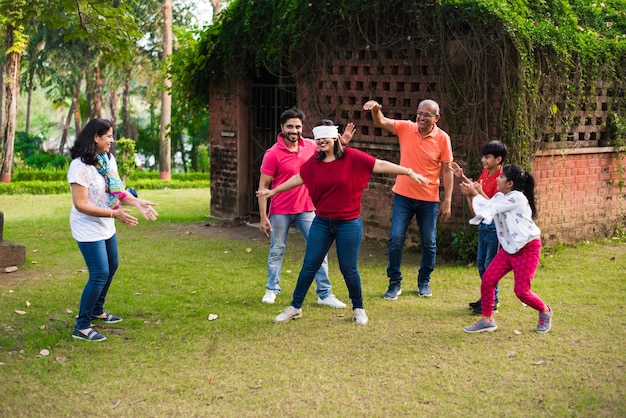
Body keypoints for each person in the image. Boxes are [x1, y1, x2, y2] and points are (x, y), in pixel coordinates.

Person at [257, 120, 430, 325]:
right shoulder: (314, 163)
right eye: (318, 138)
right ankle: (295, 307)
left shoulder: (352, 157)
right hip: (322, 222)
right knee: (309, 265)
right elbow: (298, 178)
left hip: (348, 223)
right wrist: (274, 191)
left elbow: (379, 165)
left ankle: (358, 308)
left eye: (325, 137)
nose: (321, 141)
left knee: (349, 268)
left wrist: (409, 172)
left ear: (335, 138)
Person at [68, 118, 158, 341]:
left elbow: (116, 191)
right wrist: (114, 214)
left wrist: (137, 202)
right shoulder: (79, 167)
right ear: (96, 137)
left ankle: (97, 310)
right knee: (99, 273)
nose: (112, 140)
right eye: (108, 135)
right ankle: (82, 326)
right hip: (87, 226)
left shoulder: (107, 160)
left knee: (112, 265)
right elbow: (81, 204)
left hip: (106, 223)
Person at [258, 108, 355, 309]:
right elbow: (263, 188)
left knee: (319, 251)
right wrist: (262, 216)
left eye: (298, 126)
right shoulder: (272, 154)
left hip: (307, 210)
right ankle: (271, 289)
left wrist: (342, 141)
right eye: (290, 126)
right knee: (277, 249)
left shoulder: (311, 146)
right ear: (282, 128)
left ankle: (325, 294)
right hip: (280, 211)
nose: (294, 130)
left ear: (303, 128)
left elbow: (330, 149)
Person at [362, 99, 454, 299]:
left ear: (436, 118)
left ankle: (424, 282)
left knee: (429, 242)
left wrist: (447, 200)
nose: (421, 117)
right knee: (395, 239)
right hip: (403, 196)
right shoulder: (406, 128)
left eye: (426, 115)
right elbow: (382, 122)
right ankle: (394, 283)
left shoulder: (442, 138)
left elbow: (447, 170)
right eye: (419, 113)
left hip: (429, 199)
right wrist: (377, 110)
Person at [463, 164, 552, 333]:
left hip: (528, 248)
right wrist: (471, 193)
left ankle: (545, 311)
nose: (498, 178)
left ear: (510, 184)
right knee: (488, 279)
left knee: (521, 292)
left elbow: (490, 208)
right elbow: (482, 211)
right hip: (509, 249)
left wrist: (473, 192)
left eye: (501, 177)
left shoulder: (517, 197)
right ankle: (487, 320)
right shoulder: (499, 197)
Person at [451, 140, 508, 315]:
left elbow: (493, 205)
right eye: (483, 156)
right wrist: (462, 177)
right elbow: (477, 191)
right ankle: (487, 298)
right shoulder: (486, 173)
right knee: (482, 265)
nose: (483, 160)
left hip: (494, 227)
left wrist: (475, 192)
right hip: (483, 224)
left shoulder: (502, 179)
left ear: (498, 159)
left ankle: (492, 301)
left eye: (487, 157)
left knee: (490, 266)